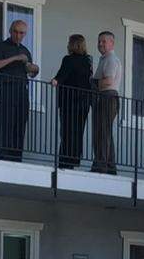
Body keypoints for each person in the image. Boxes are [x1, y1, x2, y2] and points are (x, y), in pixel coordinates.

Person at [0, 20, 40, 162]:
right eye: (16, 32)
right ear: (10, 31)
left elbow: (31, 72)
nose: (18, 35)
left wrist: (34, 69)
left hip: (22, 90)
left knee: (21, 122)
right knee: (7, 122)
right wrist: (15, 58)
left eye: (22, 33)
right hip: (7, 88)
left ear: (25, 34)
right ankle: (6, 158)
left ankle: (17, 158)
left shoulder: (25, 51)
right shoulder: (1, 46)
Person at [50, 34, 94, 169]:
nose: (67, 45)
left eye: (69, 42)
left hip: (69, 102)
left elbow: (62, 75)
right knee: (78, 132)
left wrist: (54, 81)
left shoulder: (69, 59)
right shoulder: (88, 61)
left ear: (73, 44)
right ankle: (74, 160)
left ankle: (65, 162)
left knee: (67, 131)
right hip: (84, 103)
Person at [92, 31, 122, 174]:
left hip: (107, 97)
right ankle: (109, 167)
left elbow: (108, 81)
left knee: (102, 132)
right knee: (105, 132)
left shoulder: (110, 59)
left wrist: (93, 84)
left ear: (112, 43)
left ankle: (101, 166)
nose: (100, 44)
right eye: (99, 41)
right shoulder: (105, 59)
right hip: (106, 97)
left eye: (104, 41)